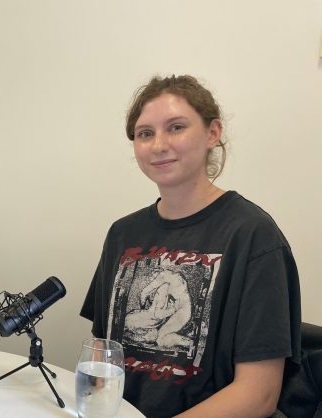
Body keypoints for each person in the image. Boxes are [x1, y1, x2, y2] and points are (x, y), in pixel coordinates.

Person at [80, 75, 301, 418]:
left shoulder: (253, 235)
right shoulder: (122, 234)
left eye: (177, 127)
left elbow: (259, 394)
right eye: (145, 133)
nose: (158, 145)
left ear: (213, 133)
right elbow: (102, 350)